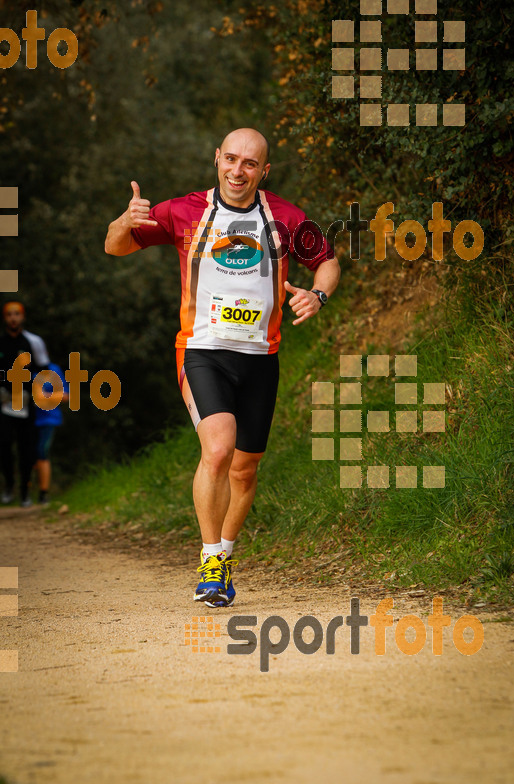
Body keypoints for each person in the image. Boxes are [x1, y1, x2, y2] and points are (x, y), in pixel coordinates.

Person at [105, 128, 340, 606]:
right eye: (230, 159)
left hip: (260, 358)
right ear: (217, 158)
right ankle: (210, 560)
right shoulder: (184, 211)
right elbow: (116, 247)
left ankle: (226, 552)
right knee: (218, 450)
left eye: (249, 164)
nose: (238, 170)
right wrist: (123, 222)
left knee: (246, 469)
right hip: (201, 351)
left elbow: (328, 261)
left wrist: (318, 295)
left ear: (264, 171)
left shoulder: (286, 218)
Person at [0, 301, 50, 507]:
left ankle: (25, 491)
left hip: (26, 404)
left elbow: (44, 370)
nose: (13, 318)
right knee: (3, 445)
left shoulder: (33, 342)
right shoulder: (0, 343)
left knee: (27, 449)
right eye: (9, 314)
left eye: (17, 314)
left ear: (23, 317)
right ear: (5, 318)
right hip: (3, 404)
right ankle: (9, 485)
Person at [33, 364, 69, 505]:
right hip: (26, 420)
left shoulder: (53, 370)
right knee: (30, 454)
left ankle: (43, 493)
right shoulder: (23, 369)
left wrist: (43, 396)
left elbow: (66, 396)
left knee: (42, 452)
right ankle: (25, 492)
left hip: (48, 419)